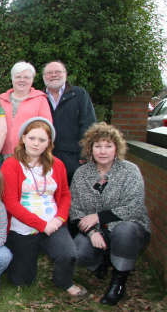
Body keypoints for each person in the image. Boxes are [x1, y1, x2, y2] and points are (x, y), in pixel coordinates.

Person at [1, 117, 86, 297]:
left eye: (42, 140)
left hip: (53, 222)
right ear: (23, 138)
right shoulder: (11, 164)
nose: (36, 143)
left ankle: (64, 281)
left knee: (68, 254)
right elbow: (10, 203)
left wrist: (59, 219)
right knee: (22, 280)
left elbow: (64, 195)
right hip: (22, 226)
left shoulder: (57, 164)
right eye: (32, 138)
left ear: (49, 143)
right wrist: (41, 225)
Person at [70, 122, 150, 305]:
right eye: (98, 146)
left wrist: (99, 217)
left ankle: (119, 279)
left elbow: (135, 206)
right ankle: (102, 262)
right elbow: (75, 210)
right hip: (96, 231)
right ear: (90, 149)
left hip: (129, 229)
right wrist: (91, 232)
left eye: (108, 146)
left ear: (117, 148)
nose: (103, 151)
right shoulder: (81, 174)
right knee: (77, 251)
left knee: (124, 231)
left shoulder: (130, 171)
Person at [43, 61, 96, 183]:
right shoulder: (39, 97)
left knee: (73, 197)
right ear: (44, 77)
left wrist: (84, 153)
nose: (53, 75)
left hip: (74, 159)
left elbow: (89, 125)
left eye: (58, 72)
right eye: (49, 73)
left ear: (65, 74)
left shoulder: (79, 94)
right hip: (46, 158)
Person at [0, 62, 52, 156]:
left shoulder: (40, 100)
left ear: (32, 79)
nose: (22, 80)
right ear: (12, 78)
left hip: (29, 154)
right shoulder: (0, 100)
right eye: (18, 77)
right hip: (1, 154)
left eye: (26, 77)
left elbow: (46, 129)